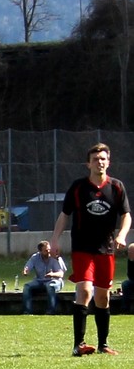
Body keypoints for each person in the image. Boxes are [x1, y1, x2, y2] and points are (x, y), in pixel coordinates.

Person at [50, 143, 131, 356]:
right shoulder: (78, 188)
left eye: (103, 159)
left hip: (106, 249)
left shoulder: (116, 187)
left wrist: (122, 235)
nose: (100, 162)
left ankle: (103, 344)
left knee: (103, 297)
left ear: (109, 162)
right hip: (82, 248)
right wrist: (54, 239)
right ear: (88, 164)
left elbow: (126, 215)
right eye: (95, 159)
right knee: (85, 291)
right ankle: (79, 345)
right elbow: (64, 214)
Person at [21, 240, 67, 315]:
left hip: (55, 281)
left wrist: (52, 274)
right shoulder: (35, 257)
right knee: (27, 286)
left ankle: (51, 311)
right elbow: (27, 267)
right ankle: (27, 311)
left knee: (50, 286)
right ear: (40, 251)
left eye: (49, 249)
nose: (48, 252)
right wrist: (26, 271)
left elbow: (61, 274)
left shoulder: (55, 257)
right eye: (46, 250)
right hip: (40, 281)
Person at [121, 241, 134, 313]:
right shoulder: (130, 260)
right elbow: (129, 274)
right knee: (125, 284)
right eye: (129, 251)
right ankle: (125, 308)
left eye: (131, 251)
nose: (129, 253)